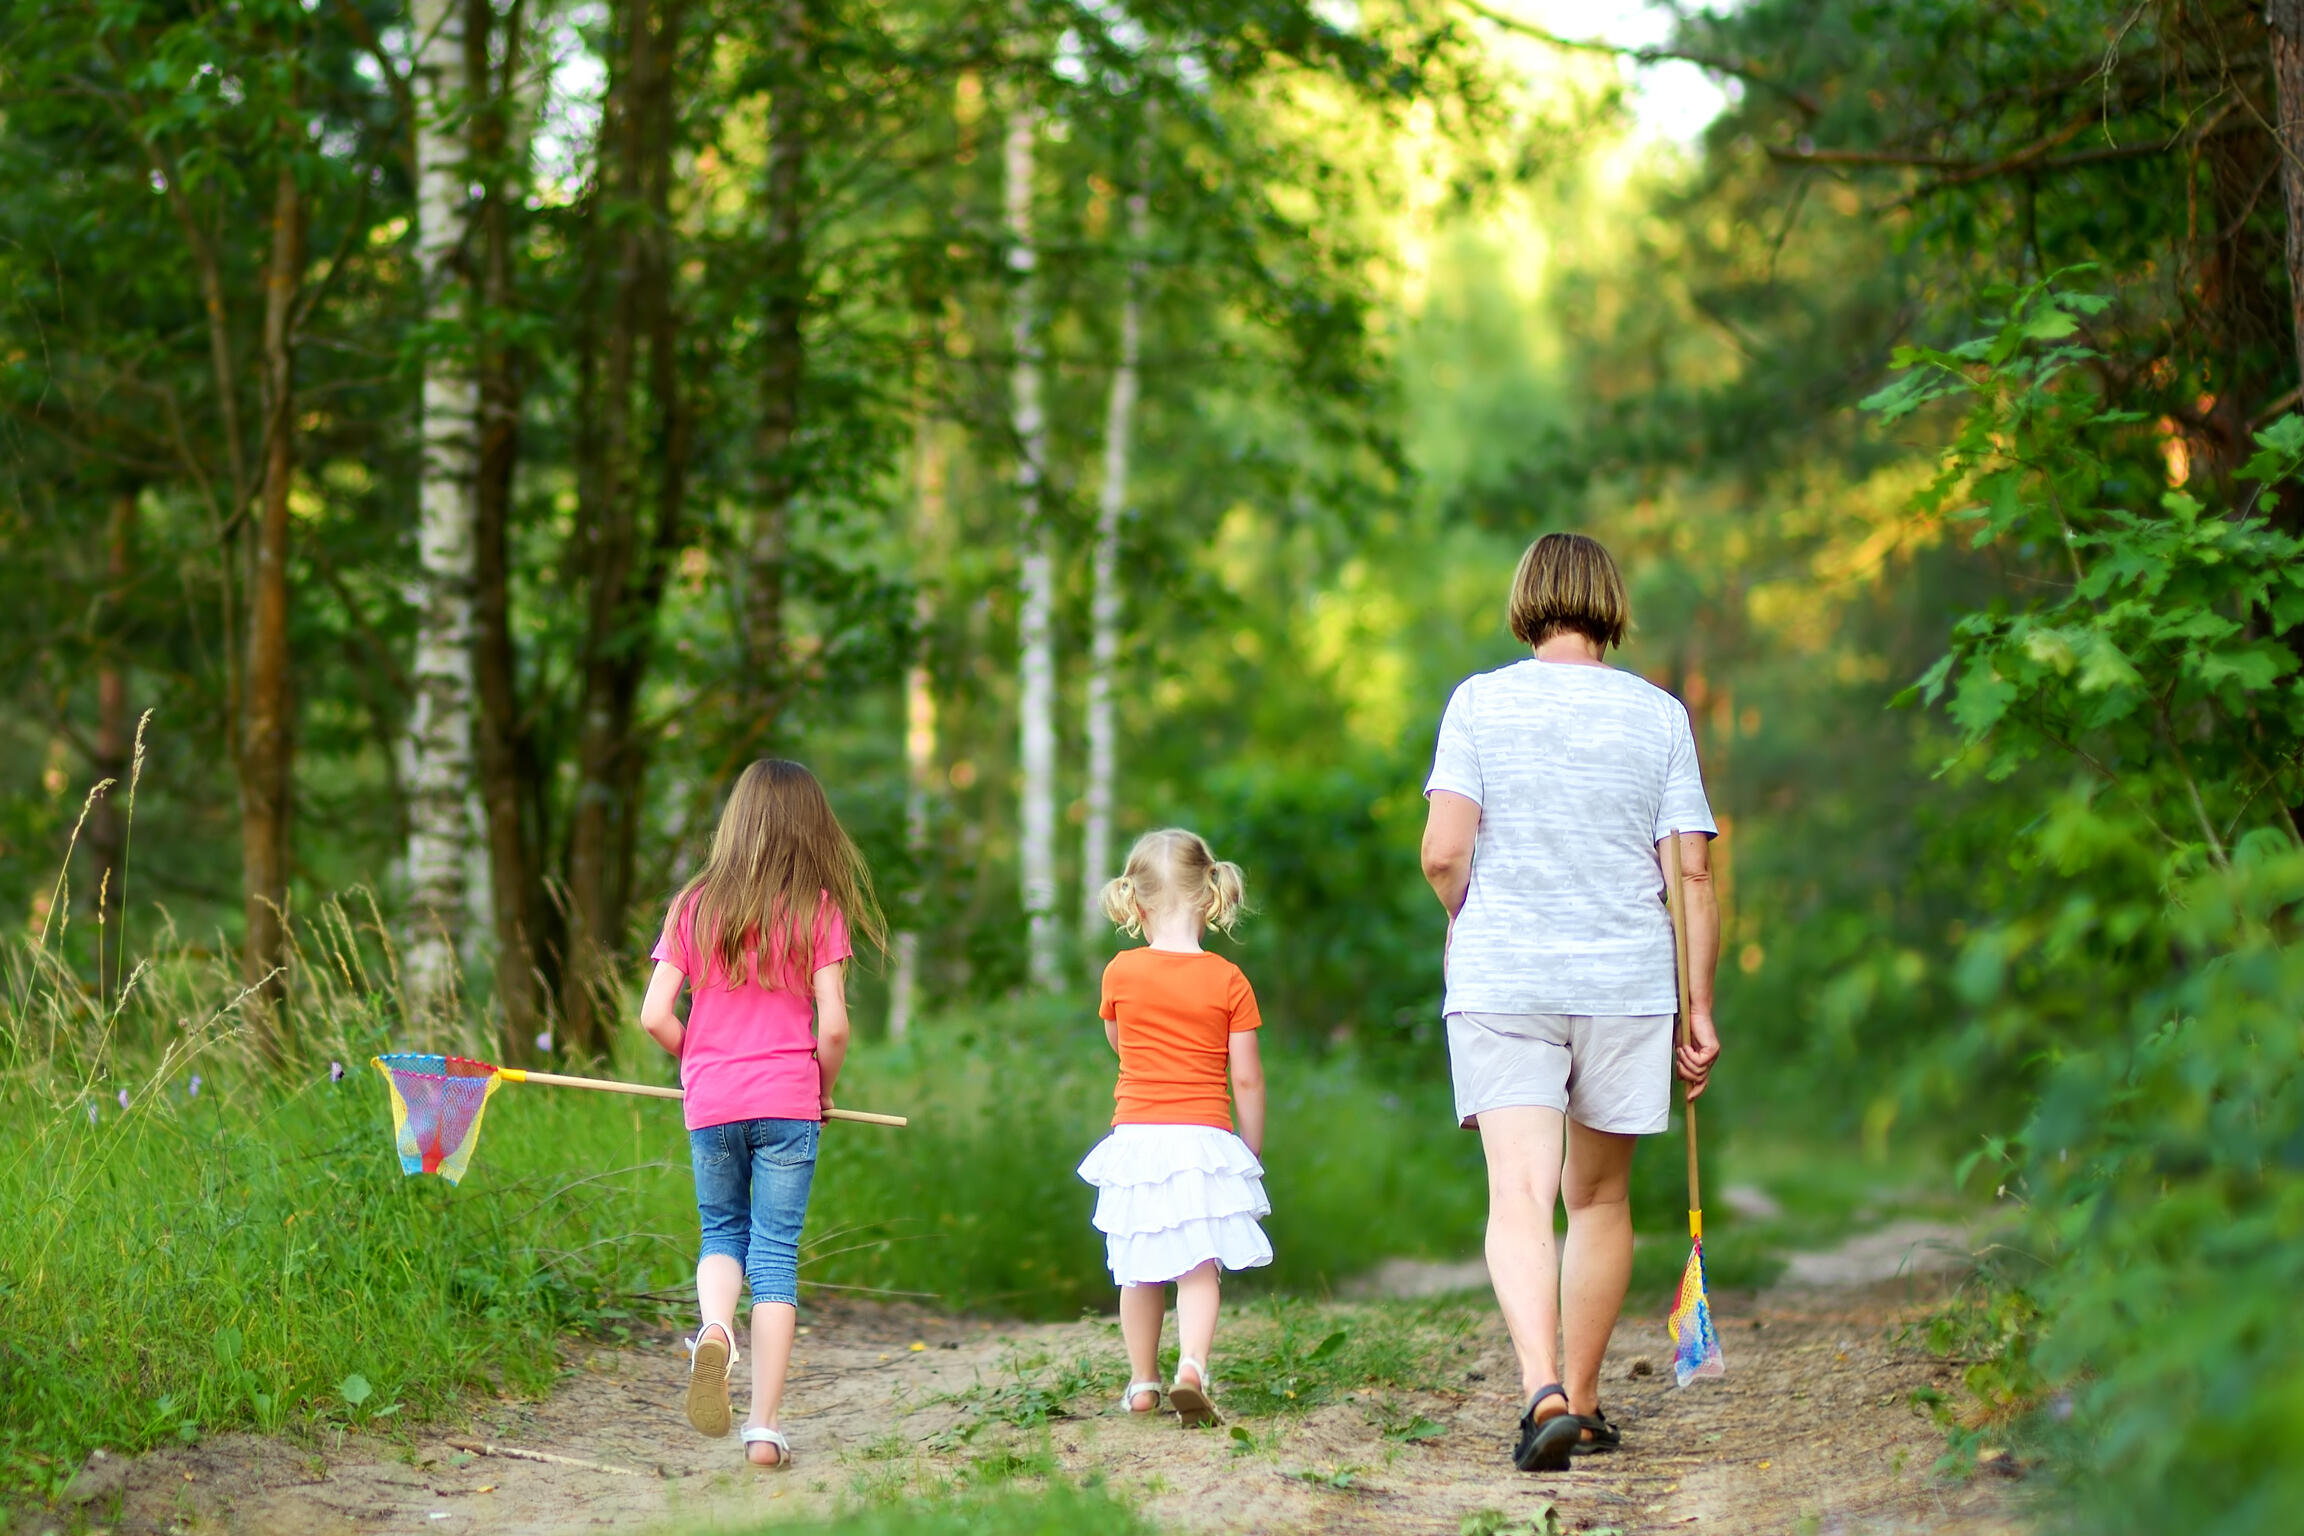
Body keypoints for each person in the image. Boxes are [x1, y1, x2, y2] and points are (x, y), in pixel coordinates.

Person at [1419, 531, 1721, 1473]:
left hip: (1504, 977)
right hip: (1625, 982)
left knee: (1518, 1194)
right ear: (1609, 607)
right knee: (1596, 1197)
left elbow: (1441, 850)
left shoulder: (1480, 702)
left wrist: (1467, 914)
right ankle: (1583, 1402)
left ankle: (1540, 1388)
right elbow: (1694, 871)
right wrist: (1699, 1004)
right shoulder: (1659, 715)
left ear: (1526, 601)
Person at [639, 758, 885, 1469]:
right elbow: (833, 1027)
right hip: (788, 1105)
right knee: (776, 1257)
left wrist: (702, 1063)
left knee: (721, 1232)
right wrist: (822, 1089)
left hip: (712, 1102)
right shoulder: (817, 909)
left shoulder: (695, 905)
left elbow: (654, 1015)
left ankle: (716, 1327)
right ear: (811, 828)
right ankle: (764, 1430)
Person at [1077, 829, 1272, 1427]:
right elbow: (1247, 1081)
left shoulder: (1120, 973)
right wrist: (1249, 1149)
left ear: (1133, 903)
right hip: (1203, 1137)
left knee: (1138, 1267)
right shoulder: (1229, 980)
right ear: (1211, 897)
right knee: (1198, 1267)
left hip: (1137, 1138)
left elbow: (1120, 1047)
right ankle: (1193, 1367)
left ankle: (1142, 1383)